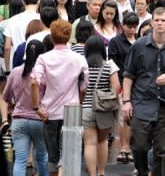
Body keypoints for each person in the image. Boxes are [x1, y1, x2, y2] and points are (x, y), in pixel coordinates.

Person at [122, 7, 165, 176]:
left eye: (163, 20)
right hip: (142, 102)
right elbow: (128, 74)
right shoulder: (139, 45)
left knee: (162, 151)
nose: (159, 23)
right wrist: (126, 101)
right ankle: (143, 172)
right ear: (152, 22)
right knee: (139, 146)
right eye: (156, 20)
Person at [31, 20, 89, 176]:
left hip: (49, 111)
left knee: (52, 154)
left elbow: (35, 82)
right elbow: (84, 85)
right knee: (70, 152)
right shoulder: (79, 59)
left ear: (52, 37)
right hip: (72, 110)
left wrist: (37, 107)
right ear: (69, 36)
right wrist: (80, 101)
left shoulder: (44, 58)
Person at [1, 40, 49, 176]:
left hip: (19, 121)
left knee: (20, 161)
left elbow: (5, 97)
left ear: (25, 53)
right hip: (40, 120)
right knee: (42, 157)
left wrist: (12, 105)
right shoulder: (44, 73)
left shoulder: (15, 72)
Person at [82, 36, 120, 176]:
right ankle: (102, 172)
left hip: (86, 107)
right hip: (104, 108)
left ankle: (92, 174)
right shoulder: (110, 65)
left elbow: (81, 87)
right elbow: (116, 86)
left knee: (89, 143)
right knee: (102, 141)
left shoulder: (83, 65)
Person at [108, 12, 138, 163]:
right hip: (122, 83)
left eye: (134, 27)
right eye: (129, 26)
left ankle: (128, 147)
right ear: (123, 25)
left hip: (138, 85)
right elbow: (113, 63)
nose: (132, 30)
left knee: (132, 117)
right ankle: (124, 147)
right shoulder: (116, 42)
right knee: (124, 116)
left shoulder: (140, 40)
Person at [3, 0, 40, 74]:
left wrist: (8, 70)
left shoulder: (13, 20)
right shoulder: (42, 19)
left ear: (23, 1)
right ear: (39, 1)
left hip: (18, 62)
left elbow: (7, 47)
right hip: (38, 64)